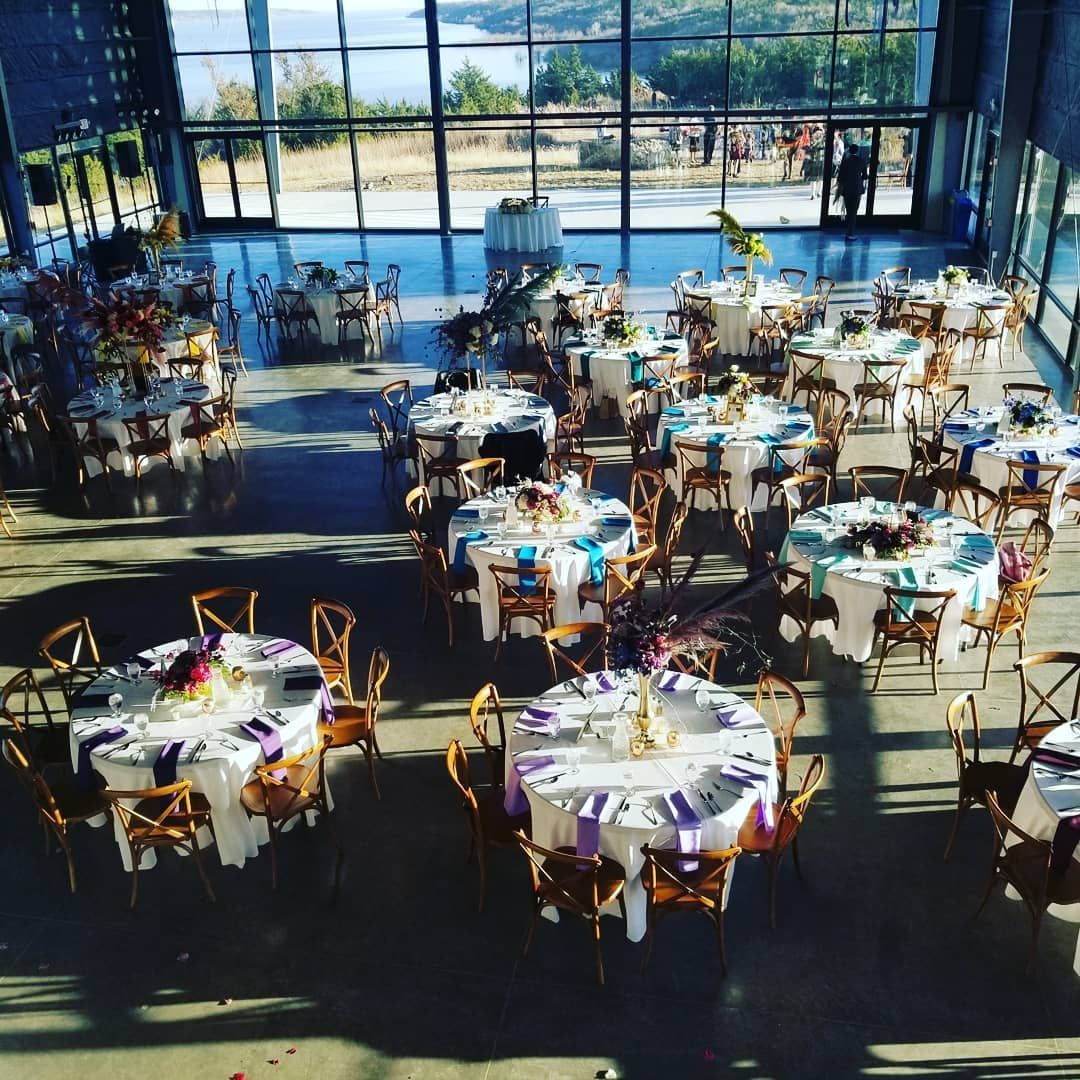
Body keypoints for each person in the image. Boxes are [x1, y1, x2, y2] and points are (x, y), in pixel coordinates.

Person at [834, 142, 868, 239]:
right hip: (857, 189)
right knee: (854, 211)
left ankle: (849, 232)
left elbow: (840, 177)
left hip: (847, 189)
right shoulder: (861, 161)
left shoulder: (845, 162)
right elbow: (865, 176)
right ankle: (851, 233)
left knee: (849, 211)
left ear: (849, 150)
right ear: (857, 151)